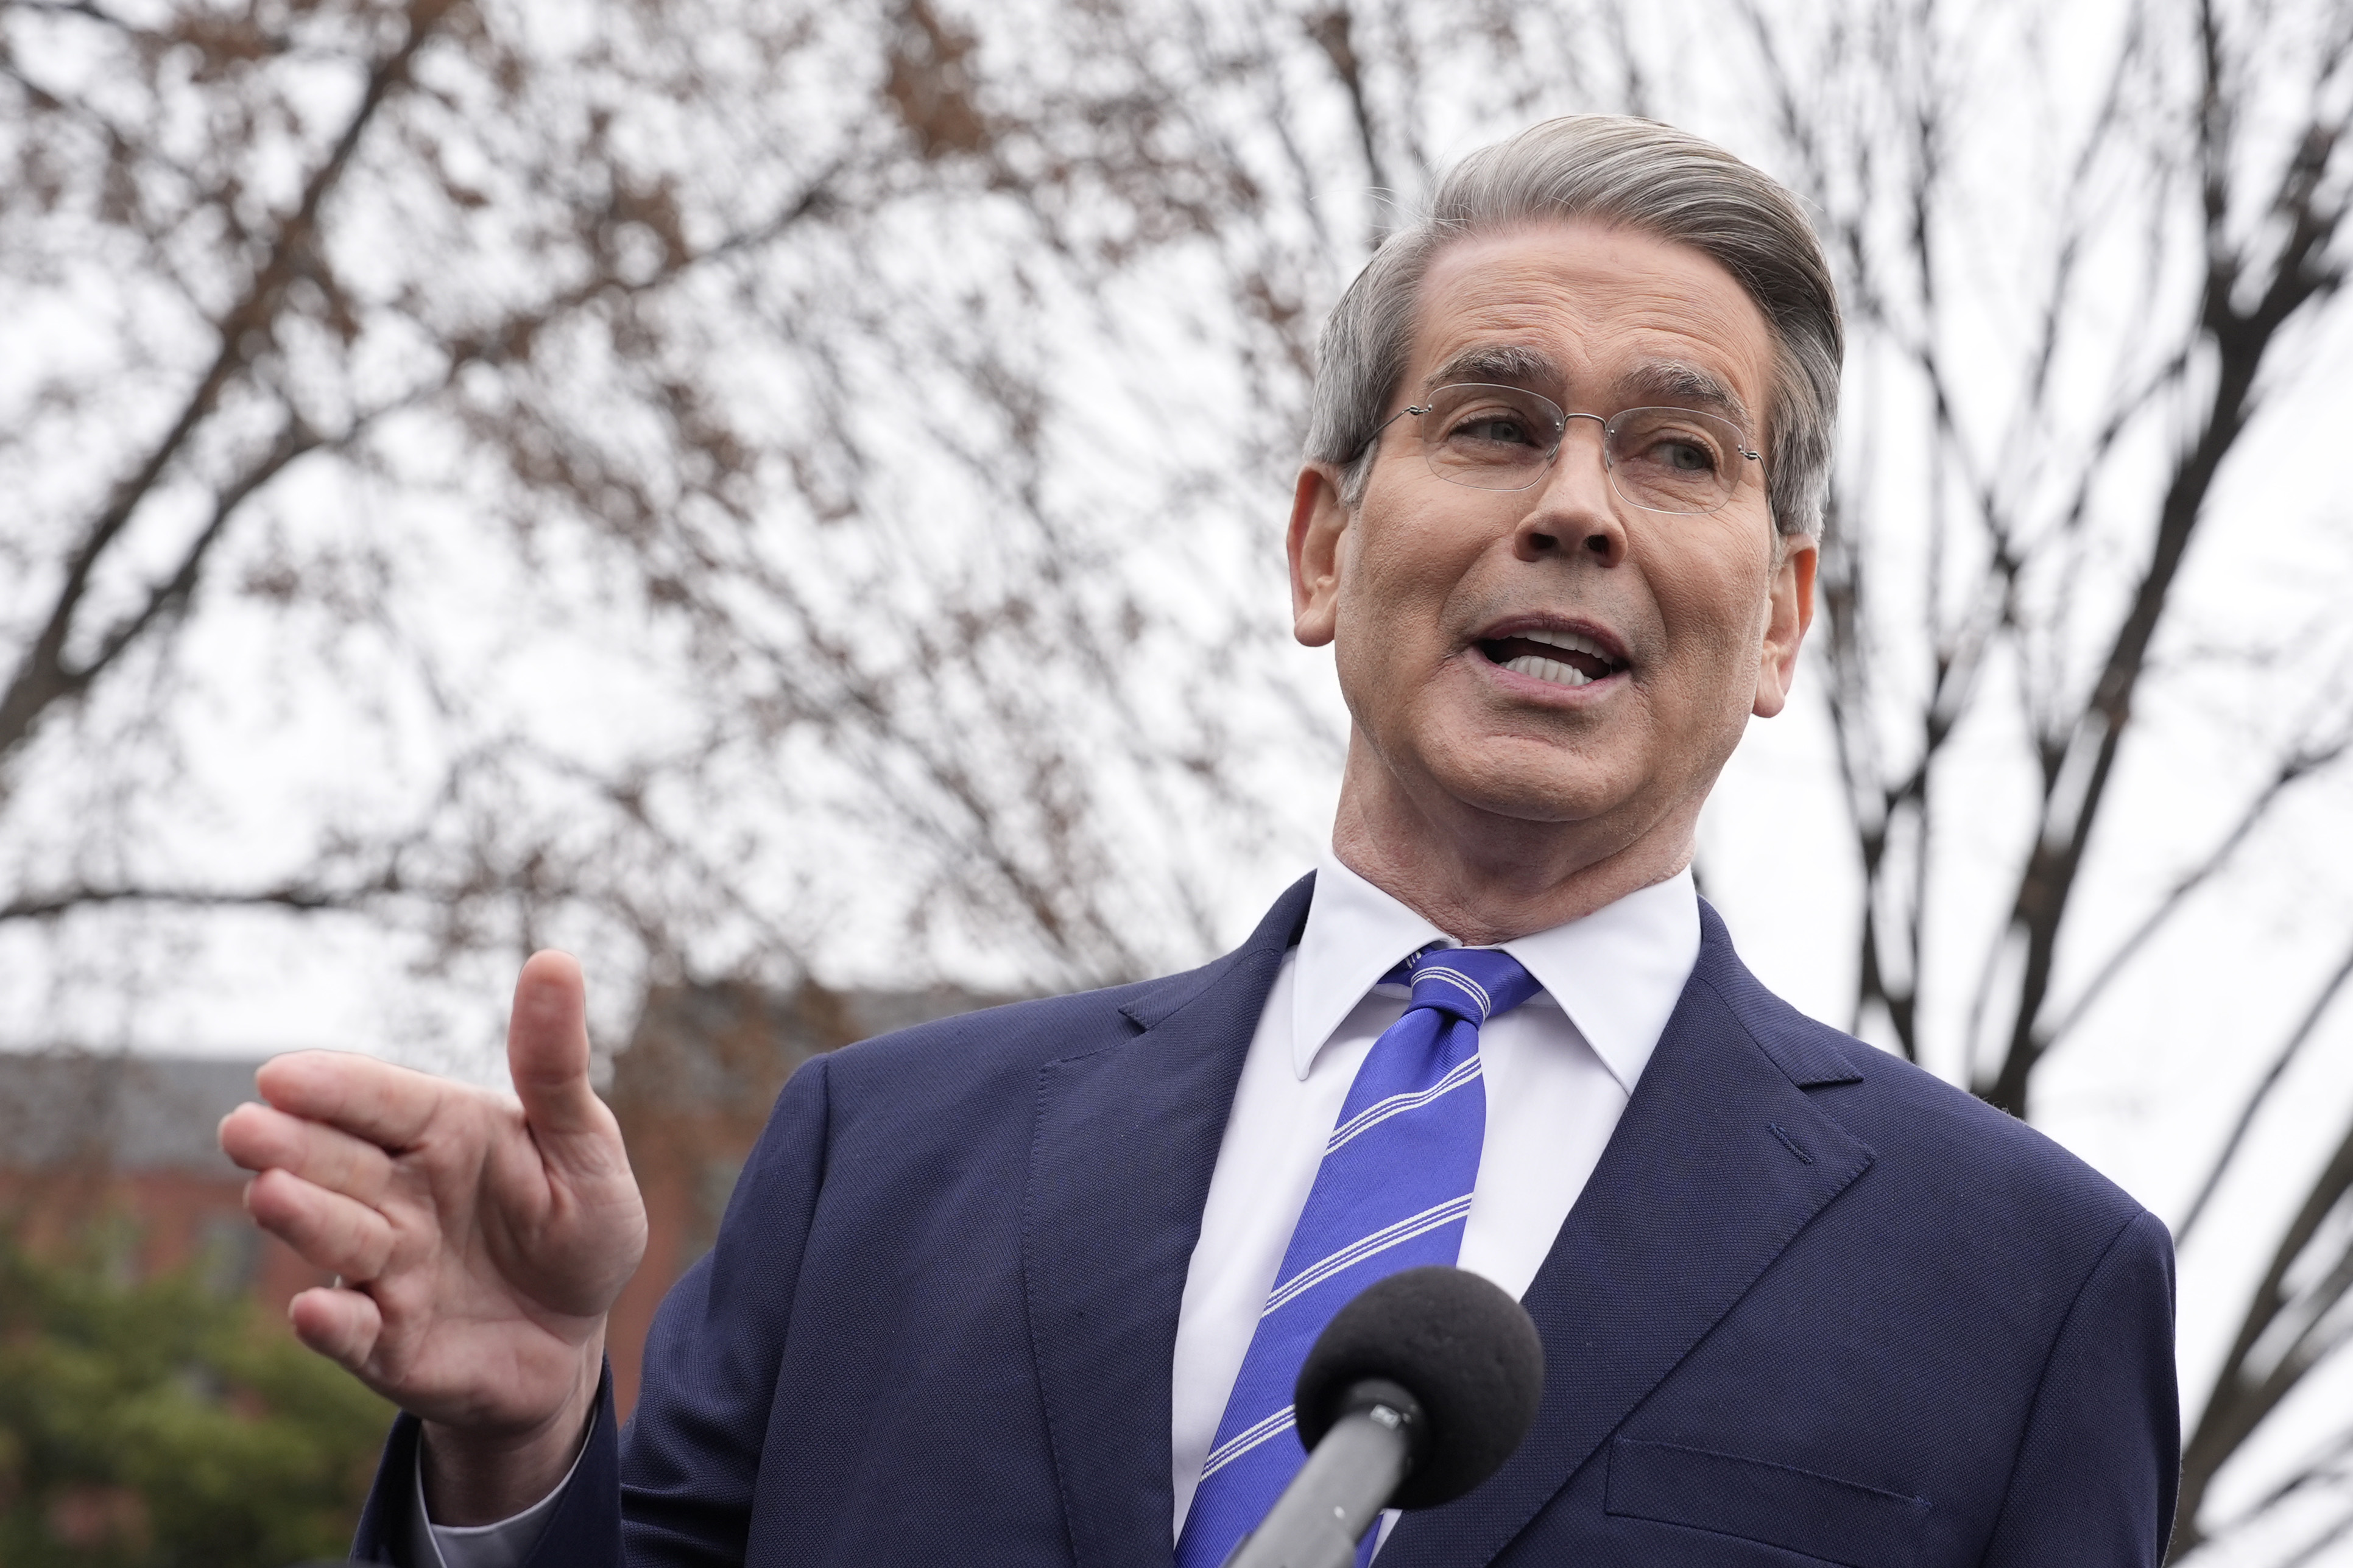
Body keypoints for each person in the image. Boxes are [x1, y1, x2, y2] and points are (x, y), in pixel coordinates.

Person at [220, 114, 2179, 1567]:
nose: (1578, 508)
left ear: (1780, 623)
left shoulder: (2025, 1285)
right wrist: (523, 1450)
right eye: (1494, 424)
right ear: (1325, 547)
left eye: (1677, 453)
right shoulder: (875, 1165)